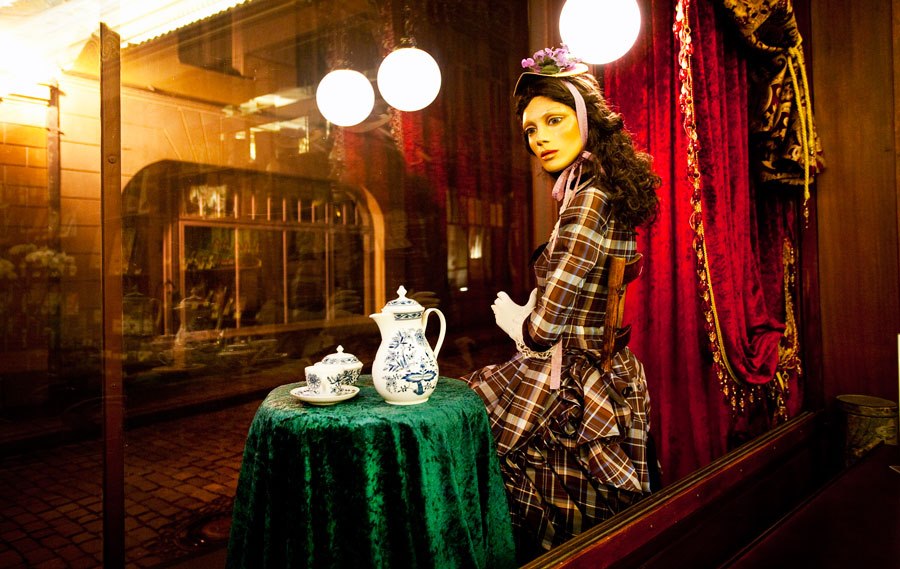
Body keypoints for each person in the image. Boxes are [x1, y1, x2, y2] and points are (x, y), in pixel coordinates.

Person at [463, 46, 661, 558]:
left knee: (470, 427)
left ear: (586, 120)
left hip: (575, 382)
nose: (540, 138)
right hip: (596, 372)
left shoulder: (589, 199)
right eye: (531, 130)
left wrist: (519, 321)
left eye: (554, 120)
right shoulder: (593, 190)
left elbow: (546, 330)